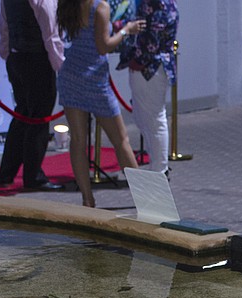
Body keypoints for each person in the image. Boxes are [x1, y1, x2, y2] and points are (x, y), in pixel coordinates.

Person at [56, 0, 144, 207]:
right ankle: (145, 198)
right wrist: (126, 30)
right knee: (121, 140)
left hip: (70, 75)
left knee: (78, 140)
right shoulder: (100, 7)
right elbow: (103, 47)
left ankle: (87, 199)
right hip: (95, 80)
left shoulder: (68, 4)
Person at [0, 0, 65, 191]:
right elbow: (51, 34)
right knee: (38, 118)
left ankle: (7, 173)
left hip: (17, 58)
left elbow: (4, 26)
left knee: (23, 114)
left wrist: (8, 54)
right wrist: (61, 66)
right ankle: (33, 176)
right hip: (38, 60)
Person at [116, 0, 179, 178]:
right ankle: (158, 167)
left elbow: (153, 37)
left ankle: (159, 170)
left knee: (154, 120)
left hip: (150, 69)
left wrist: (139, 61)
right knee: (147, 119)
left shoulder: (158, 4)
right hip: (152, 67)